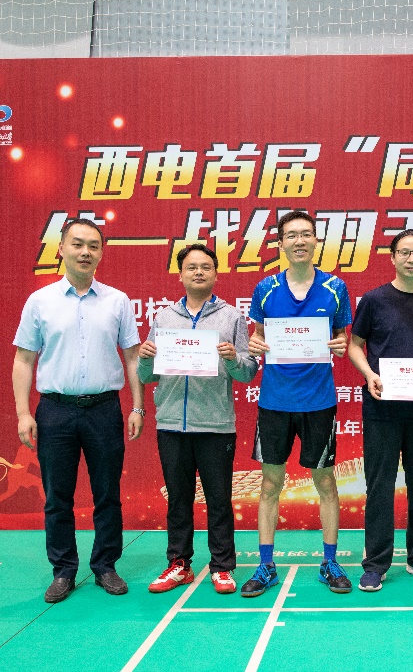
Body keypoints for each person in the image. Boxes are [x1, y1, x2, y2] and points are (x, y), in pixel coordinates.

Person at [12, 218, 143, 603]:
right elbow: (23, 359)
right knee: (57, 496)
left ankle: (105, 566)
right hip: (55, 411)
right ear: (61, 249)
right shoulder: (40, 301)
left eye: (93, 246)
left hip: (104, 409)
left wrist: (138, 406)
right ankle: (63, 570)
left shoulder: (117, 301)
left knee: (108, 494)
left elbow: (133, 357)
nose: (85, 252)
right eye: (77, 244)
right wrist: (23, 413)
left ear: (101, 253)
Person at [241, 211, 353, 597]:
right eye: (292, 235)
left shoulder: (335, 287)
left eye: (306, 234)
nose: (299, 241)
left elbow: (341, 338)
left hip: (318, 401)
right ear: (281, 244)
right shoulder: (266, 288)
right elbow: (258, 337)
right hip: (275, 401)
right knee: (271, 483)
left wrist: (340, 345)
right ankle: (266, 565)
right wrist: (255, 345)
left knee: (325, 481)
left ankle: (330, 562)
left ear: (316, 241)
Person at [137, 243, 259, 595]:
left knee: (219, 500)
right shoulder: (164, 318)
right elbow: (147, 376)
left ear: (216, 274)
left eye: (205, 266)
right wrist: (145, 358)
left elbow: (248, 373)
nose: (198, 272)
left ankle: (222, 566)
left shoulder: (232, 317)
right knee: (178, 499)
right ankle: (179, 564)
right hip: (171, 423)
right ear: (180, 275)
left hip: (215, 425)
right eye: (191, 267)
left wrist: (234, 358)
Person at [347, 229, 413, 592]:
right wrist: (369, 375)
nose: (412, 259)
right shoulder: (374, 300)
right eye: (405, 253)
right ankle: (375, 563)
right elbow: (355, 345)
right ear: (392, 258)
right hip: (382, 407)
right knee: (379, 484)